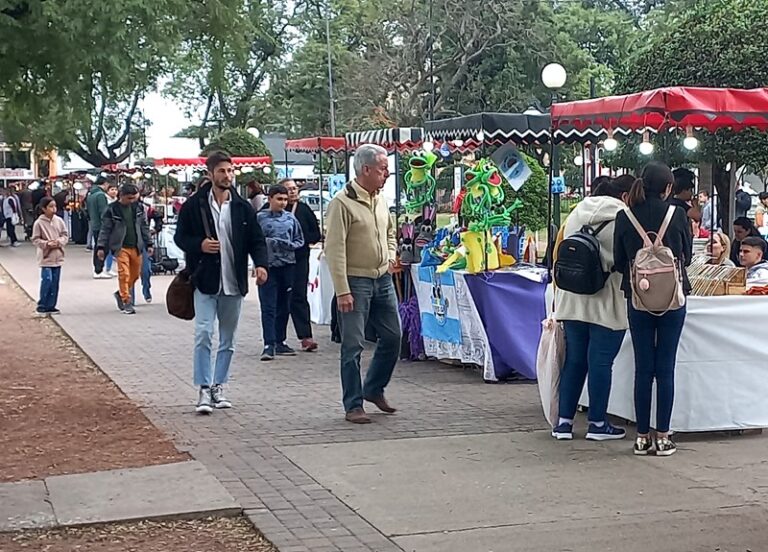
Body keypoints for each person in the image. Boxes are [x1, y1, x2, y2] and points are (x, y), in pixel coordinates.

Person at [174, 151, 269, 414]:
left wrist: (261, 264)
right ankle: (203, 387)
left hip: (234, 282)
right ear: (211, 174)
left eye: (230, 171)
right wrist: (199, 244)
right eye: (222, 171)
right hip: (205, 280)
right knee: (203, 333)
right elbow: (180, 238)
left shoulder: (242, 207)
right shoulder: (194, 206)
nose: (227, 175)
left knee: (228, 338)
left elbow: (256, 240)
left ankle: (219, 384)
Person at [614, 161, 691, 457]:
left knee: (643, 368)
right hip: (673, 298)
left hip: (637, 298)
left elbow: (621, 261)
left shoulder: (625, 216)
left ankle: (642, 438)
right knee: (666, 367)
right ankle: (663, 438)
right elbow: (684, 253)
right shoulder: (678, 215)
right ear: (669, 187)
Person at [552, 176, 634, 442]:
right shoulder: (623, 216)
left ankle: (563, 423)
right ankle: (597, 423)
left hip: (572, 296)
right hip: (606, 298)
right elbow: (625, 259)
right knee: (600, 361)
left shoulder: (577, 210)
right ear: (624, 195)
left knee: (575, 359)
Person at [325, 144, 401, 424]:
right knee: (353, 345)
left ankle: (373, 388)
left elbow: (390, 232)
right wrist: (342, 290)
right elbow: (334, 250)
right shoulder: (341, 203)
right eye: (383, 169)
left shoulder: (380, 200)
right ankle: (353, 404)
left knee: (393, 336)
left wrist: (391, 256)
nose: (387, 174)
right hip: (355, 282)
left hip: (382, 278)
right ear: (365, 170)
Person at [256, 184, 305, 360]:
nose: (283, 203)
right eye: (279, 199)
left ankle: (280, 340)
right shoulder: (260, 219)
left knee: (284, 305)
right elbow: (255, 242)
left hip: (287, 266)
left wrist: (289, 245)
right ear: (270, 199)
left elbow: (300, 240)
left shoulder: (291, 219)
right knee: (268, 305)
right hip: (268, 267)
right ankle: (268, 343)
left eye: (285, 199)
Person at [96, 183, 152, 315]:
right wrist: (101, 246)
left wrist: (149, 243)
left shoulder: (138, 208)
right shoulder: (111, 210)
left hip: (137, 246)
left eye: (134, 197)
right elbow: (105, 229)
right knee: (124, 274)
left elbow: (144, 226)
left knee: (135, 274)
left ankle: (120, 293)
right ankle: (126, 300)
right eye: (129, 198)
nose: (132, 201)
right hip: (120, 246)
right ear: (121, 196)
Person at [284, 178, 322, 352]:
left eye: (294, 188)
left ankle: (306, 336)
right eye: (288, 189)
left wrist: (301, 239)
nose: (292, 192)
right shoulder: (273, 210)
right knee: (280, 299)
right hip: (279, 261)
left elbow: (316, 234)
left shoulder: (304, 210)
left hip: (299, 258)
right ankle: (276, 339)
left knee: (299, 296)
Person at [31, 197, 68, 315]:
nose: (54, 209)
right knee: (47, 280)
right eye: (51, 207)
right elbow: (35, 239)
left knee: (55, 282)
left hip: (58, 255)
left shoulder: (59, 221)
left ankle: (52, 305)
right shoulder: (39, 223)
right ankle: (42, 305)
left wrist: (60, 242)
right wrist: (46, 244)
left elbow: (65, 235)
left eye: (55, 206)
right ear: (44, 209)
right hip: (46, 256)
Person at [87, 176, 112, 279]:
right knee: (102, 247)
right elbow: (104, 212)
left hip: (94, 224)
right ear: (105, 183)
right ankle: (99, 269)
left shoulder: (91, 195)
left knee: (98, 246)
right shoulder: (101, 195)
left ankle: (98, 269)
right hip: (102, 225)